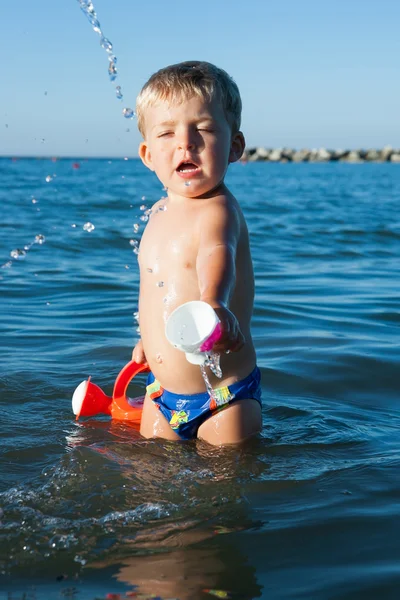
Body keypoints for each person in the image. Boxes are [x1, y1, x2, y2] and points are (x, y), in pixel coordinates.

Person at [132, 60, 262, 445]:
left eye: (203, 129)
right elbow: (159, 286)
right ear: (148, 154)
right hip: (161, 393)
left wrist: (213, 302)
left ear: (235, 146)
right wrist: (150, 338)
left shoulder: (217, 209)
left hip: (224, 396)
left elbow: (215, 255)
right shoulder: (157, 212)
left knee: (225, 485)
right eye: (167, 133)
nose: (185, 143)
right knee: (149, 481)